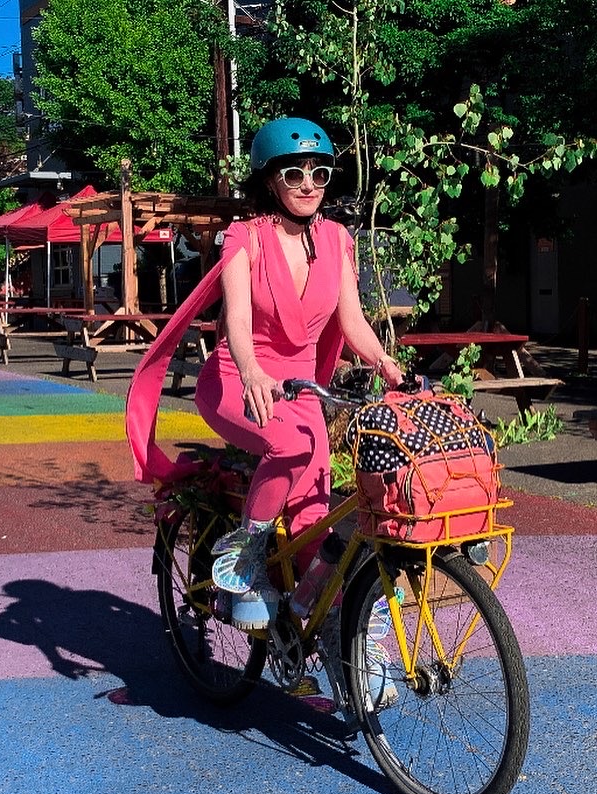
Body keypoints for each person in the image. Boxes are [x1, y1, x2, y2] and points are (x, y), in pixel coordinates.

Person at [125, 117, 403, 629]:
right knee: (289, 449)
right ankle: (244, 558)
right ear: (270, 179)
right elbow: (235, 320)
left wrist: (382, 361)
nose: (307, 185)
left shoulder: (338, 239)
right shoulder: (244, 238)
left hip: (300, 390)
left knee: (316, 519)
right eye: (293, 173)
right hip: (236, 378)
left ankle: (318, 628)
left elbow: (352, 319)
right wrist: (251, 371)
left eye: (319, 174)